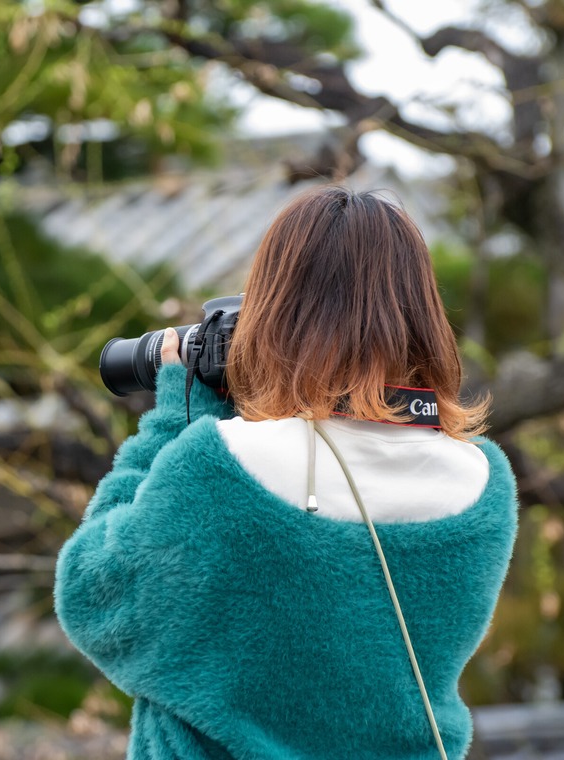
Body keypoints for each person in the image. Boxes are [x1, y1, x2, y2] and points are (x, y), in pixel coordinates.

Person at [54, 186, 518, 760]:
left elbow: (93, 598)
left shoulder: (218, 462)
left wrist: (174, 420)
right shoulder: (484, 483)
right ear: (421, 311)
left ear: (275, 312)